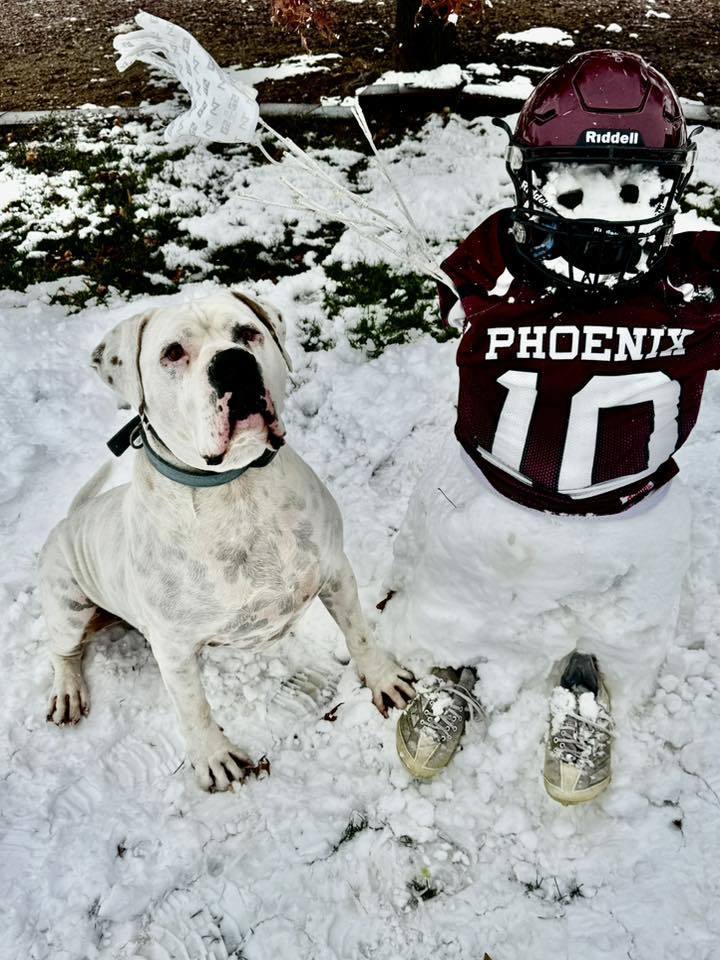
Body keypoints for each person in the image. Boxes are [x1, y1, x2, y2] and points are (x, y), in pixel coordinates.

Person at [383, 49, 719, 804]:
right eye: (574, 187)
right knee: (455, 594)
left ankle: (589, 680)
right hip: (492, 494)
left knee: (623, 620)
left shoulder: (692, 284)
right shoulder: (498, 264)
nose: (601, 218)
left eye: (630, 189)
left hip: (630, 510)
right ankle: (455, 659)